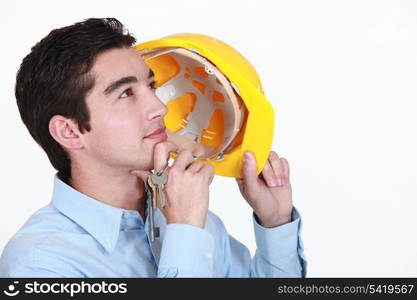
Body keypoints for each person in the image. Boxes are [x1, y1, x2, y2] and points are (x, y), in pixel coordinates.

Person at [0, 18, 306, 277]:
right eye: (124, 94)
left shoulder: (192, 221)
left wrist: (276, 222)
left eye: (151, 86)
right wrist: (184, 230)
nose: (159, 107)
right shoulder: (40, 264)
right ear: (69, 131)